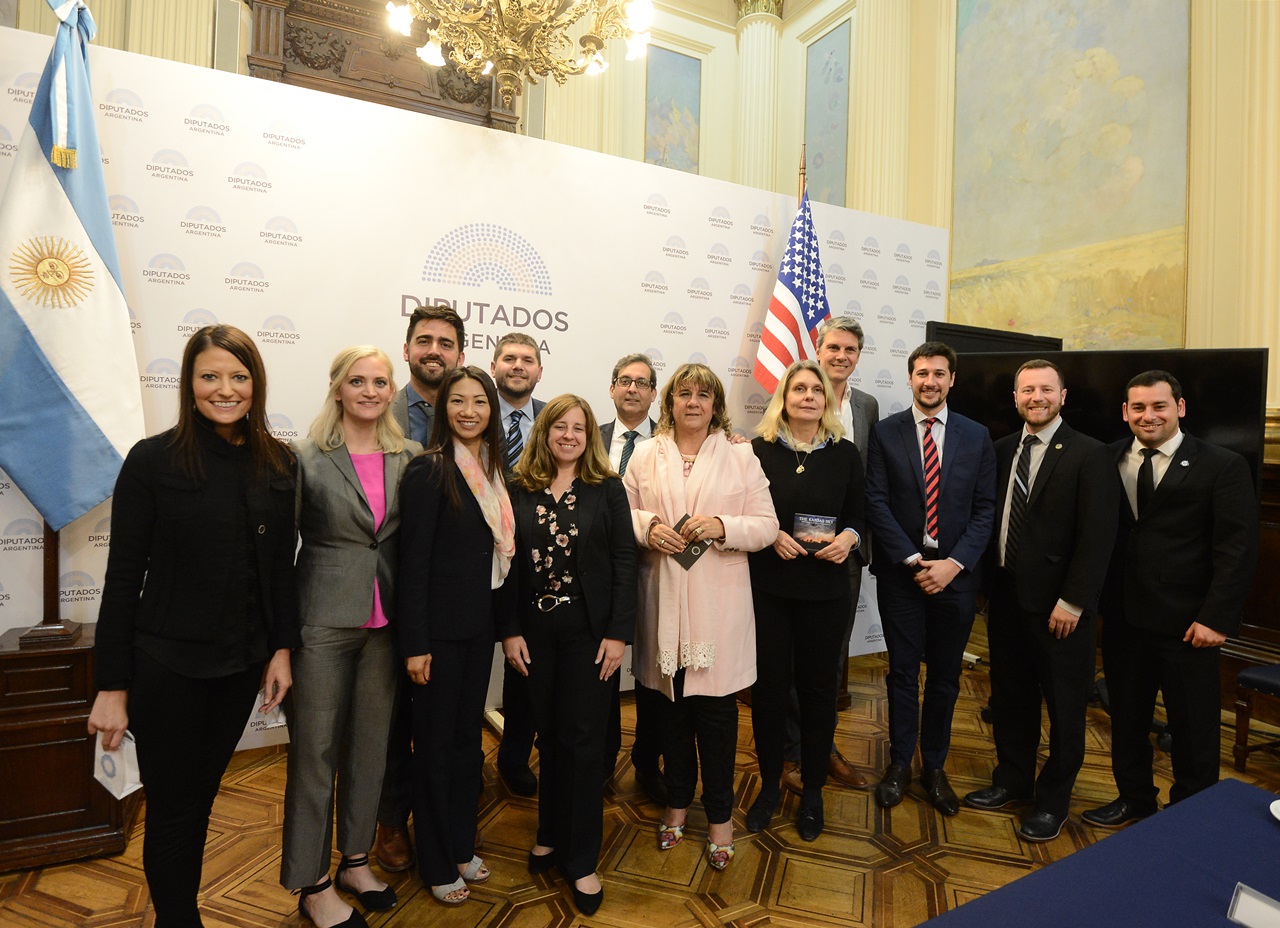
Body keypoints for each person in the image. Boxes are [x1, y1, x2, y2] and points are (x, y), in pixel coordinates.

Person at [87, 324, 298, 928]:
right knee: (176, 810)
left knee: (199, 801)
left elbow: (280, 572)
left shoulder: (278, 462)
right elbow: (124, 578)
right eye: (210, 376)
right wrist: (112, 684)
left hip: (239, 668)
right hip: (167, 668)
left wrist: (281, 650)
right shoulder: (152, 460)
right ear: (189, 383)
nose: (224, 389)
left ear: (256, 384)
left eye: (238, 376)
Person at [281, 347, 422, 927]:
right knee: (314, 753)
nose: (369, 390)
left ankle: (355, 861)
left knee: (372, 749)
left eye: (380, 382)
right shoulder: (304, 458)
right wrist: (280, 639)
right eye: (357, 381)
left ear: (393, 393)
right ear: (337, 387)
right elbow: (275, 552)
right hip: (320, 622)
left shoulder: (410, 457)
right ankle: (311, 882)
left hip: (386, 625)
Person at [1083, 370, 1258, 827]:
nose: (1148, 415)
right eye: (1138, 407)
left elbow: (1236, 549)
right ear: (1125, 412)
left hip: (1190, 626)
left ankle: (1190, 817)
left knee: (1193, 727)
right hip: (1123, 619)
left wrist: (1217, 618)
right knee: (1126, 719)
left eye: (1159, 406)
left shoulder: (1222, 465)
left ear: (1180, 408)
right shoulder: (1105, 459)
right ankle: (1134, 799)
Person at [623, 362, 777, 870]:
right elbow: (618, 514)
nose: (693, 402)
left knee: (716, 719)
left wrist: (722, 524)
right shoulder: (645, 454)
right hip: (662, 601)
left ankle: (719, 818)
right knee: (668, 713)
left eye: (703, 395)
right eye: (683, 393)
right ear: (668, 402)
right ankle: (675, 805)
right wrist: (647, 527)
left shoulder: (740, 454)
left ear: (715, 405)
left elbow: (766, 527)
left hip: (718, 609)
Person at [961, 360, 1117, 842]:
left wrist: (1074, 602)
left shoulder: (1090, 455)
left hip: (1061, 611)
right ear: (1015, 397)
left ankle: (1053, 803)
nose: (1036, 397)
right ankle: (1012, 780)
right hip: (1007, 601)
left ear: (1062, 396)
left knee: (1066, 709)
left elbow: (1098, 537)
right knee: (1011, 700)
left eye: (1045, 389)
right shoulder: (1002, 449)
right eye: (1027, 390)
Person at [500, 394, 637, 915]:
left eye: (579, 427)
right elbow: (506, 563)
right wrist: (509, 629)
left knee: (582, 743)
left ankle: (581, 860)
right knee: (549, 736)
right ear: (544, 431)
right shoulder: (519, 487)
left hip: (589, 633)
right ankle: (551, 835)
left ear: (590, 437)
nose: (570, 435)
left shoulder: (608, 489)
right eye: (560, 425)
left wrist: (619, 633)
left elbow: (626, 562)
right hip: (534, 632)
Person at [397, 366, 515, 905]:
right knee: (436, 750)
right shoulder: (429, 471)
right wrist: (415, 643)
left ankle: (463, 846)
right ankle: (438, 859)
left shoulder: (495, 472)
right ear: (443, 408)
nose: (469, 411)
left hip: (477, 632)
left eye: (480, 403)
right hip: (436, 641)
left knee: (469, 745)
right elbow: (413, 565)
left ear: (493, 412)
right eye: (458, 402)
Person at [865, 341, 996, 816]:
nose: (930, 382)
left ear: (952, 379)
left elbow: (985, 510)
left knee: (944, 678)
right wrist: (912, 560)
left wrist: (952, 565)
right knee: (902, 673)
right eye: (922, 373)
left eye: (939, 374)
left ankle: (934, 767)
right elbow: (876, 501)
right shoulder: (885, 433)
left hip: (955, 577)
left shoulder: (976, 435)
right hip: (903, 576)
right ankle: (900, 764)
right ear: (910, 377)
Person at [747, 360, 865, 841]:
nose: (809, 396)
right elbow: (745, 510)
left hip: (826, 591)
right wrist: (772, 532)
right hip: (771, 589)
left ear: (828, 400)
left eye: (817, 389)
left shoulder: (845, 453)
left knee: (819, 694)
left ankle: (812, 789)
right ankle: (771, 786)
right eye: (799, 388)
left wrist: (851, 537)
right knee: (771, 693)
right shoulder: (757, 451)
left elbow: (860, 512)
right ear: (784, 397)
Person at [377, 304, 467, 872]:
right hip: (387, 589)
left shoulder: (471, 416)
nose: (435, 350)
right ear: (407, 349)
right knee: (391, 719)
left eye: (446, 343)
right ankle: (389, 819)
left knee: (443, 719)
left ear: (460, 355)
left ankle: (441, 815)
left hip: (452, 599)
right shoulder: (376, 409)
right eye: (424, 341)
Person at [776, 315, 880, 795]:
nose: (841, 357)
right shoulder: (792, 402)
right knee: (791, 659)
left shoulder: (868, 406)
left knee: (832, 659)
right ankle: (792, 753)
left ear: (858, 357)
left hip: (844, 553)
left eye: (850, 350)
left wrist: (854, 537)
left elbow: (866, 485)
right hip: (789, 556)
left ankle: (826, 748)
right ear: (818, 349)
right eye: (833, 348)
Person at [598, 353, 666, 803]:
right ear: (611, 388)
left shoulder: (675, 440)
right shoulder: (588, 436)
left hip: (655, 571)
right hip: (599, 579)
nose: (633, 389)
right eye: (625, 381)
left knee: (652, 679)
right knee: (600, 676)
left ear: (654, 393)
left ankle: (647, 762)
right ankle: (600, 766)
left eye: (643, 383)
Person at [491, 333, 547, 797]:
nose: (518, 366)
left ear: (539, 371)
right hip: (474, 559)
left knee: (524, 668)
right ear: (494, 366)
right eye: (509, 358)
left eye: (527, 359)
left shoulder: (554, 420)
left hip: (532, 565)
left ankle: (515, 755)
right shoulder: (472, 411)